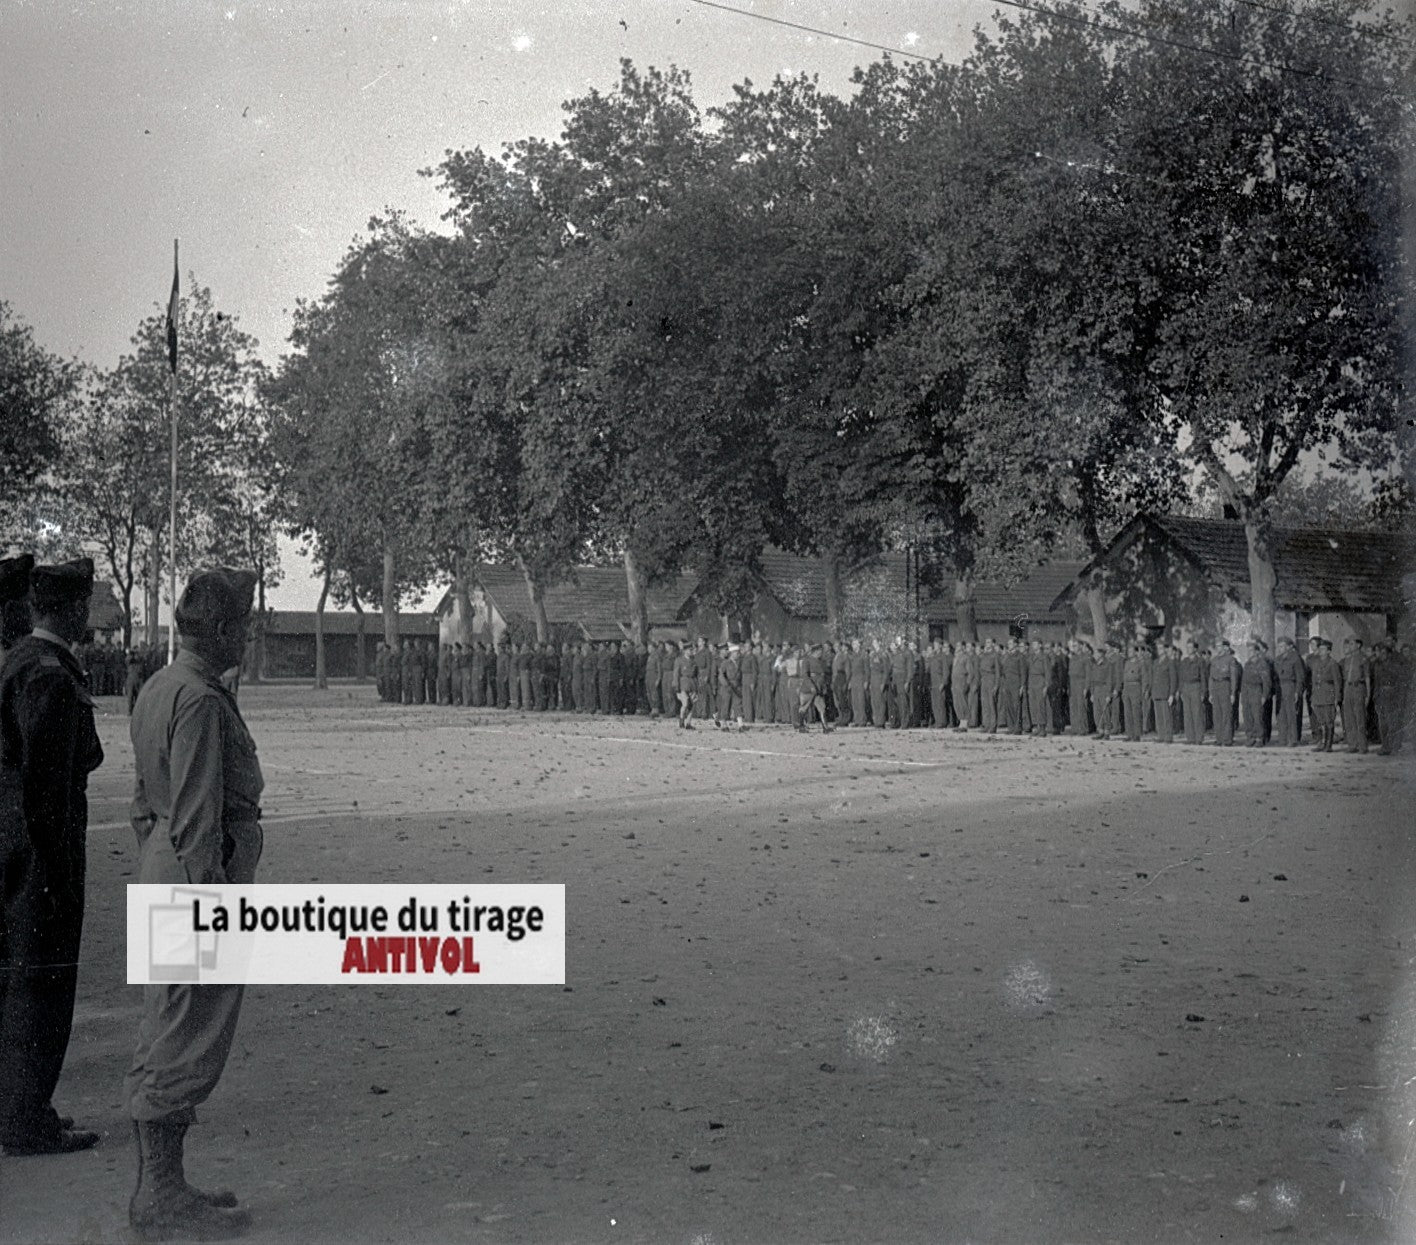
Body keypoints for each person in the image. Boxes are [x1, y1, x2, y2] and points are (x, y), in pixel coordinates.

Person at [125, 567, 260, 1238]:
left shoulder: (161, 686)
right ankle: (161, 1196)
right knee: (185, 1031)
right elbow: (200, 812)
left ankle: (166, 1185)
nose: (251, 638)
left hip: (164, 867)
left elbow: (143, 805)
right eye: (248, 626)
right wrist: (216, 902)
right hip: (196, 879)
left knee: (170, 1023)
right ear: (228, 631)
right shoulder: (201, 701)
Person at [0, 556, 103, 1157]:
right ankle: (25, 1117)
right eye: (82, 605)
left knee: (20, 982)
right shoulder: (50, 675)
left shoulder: (22, 662)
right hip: (41, 856)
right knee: (43, 986)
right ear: (70, 609)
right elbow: (44, 789)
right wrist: (57, 875)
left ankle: (21, 1106)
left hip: (18, 848)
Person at [1309, 638, 1341, 752]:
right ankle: (1322, 743)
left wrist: (1337, 698)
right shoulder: (1316, 662)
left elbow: (1337, 682)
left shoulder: (1333, 663)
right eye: (1320, 648)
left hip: (1328, 694)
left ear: (1329, 651)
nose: (1321, 651)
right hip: (1318, 694)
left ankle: (1328, 745)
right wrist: (1313, 696)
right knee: (1320, 720)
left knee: (1329, 720)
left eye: (1324, 649)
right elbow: (1313, 680)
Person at [1340, 637, 1372, 754]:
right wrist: (1344, 694)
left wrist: (1368, 694)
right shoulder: (1348, 659)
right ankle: (1352, 745)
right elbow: (1345, 678)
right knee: (1349, 718)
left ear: (1358, 645)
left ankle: (1363, 746)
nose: (1350, 646)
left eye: (1352, 643)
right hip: (1348, 689)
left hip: (1359, 688)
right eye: (1349, 643)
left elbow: (1367, 677)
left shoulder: (1363, 659)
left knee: (1360, 718)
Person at [1241, 638, 1273, 747]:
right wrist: (1243, 695)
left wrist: (1264, 695)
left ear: (1256, 652)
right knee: (1248, 716)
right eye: (1248, 651)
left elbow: (1266, 681)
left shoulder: (1262, 664)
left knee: (1258, 716)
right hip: (1247, 692)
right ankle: (1251, 737)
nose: (1249, 653)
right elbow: (1244, 681)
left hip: (1257, 691)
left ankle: (1260, 738)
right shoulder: (1247, 664)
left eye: (1251, 651)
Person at [1208, 639, 1240, 746]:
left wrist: (1232, 693)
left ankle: (1227, 740)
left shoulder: (1230, 660)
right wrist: (1211, 693)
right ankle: (1219, 738)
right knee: (1216, 714)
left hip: (1225, 685)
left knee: (1226, 714)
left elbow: (1233, 677)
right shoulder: (1214, 660)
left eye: (1219, 646)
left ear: (1225, 648)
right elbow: (1211, 677)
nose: (1217, 648)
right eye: (1216, 646)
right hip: (1216, 686)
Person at [1273, 637, 1305, 746]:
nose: (1280, 648)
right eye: (1279, 646)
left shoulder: (1295, 659)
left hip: (1290, 686)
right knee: (1280, 714)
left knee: (1291, 714)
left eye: (1282, 646)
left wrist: (1297, 692)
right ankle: (1282, 738)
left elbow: (1300, 677)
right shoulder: (1277, 659)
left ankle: (1293, 739)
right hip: (1280, 687)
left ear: (1289, 647)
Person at [1151, 641, 1178, 743]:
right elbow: (1153, 678)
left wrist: (1172, 694)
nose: (1159, 650)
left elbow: (1173, 679)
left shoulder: (1169, 662)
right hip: (1156, 692)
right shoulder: (1155, 662)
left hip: (1165, 693)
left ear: (1166, 650)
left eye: (1161, 648)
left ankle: (1168, 737)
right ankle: (1161, 735)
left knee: (1166, 716)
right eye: (1158, 648)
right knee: (1159, 716)